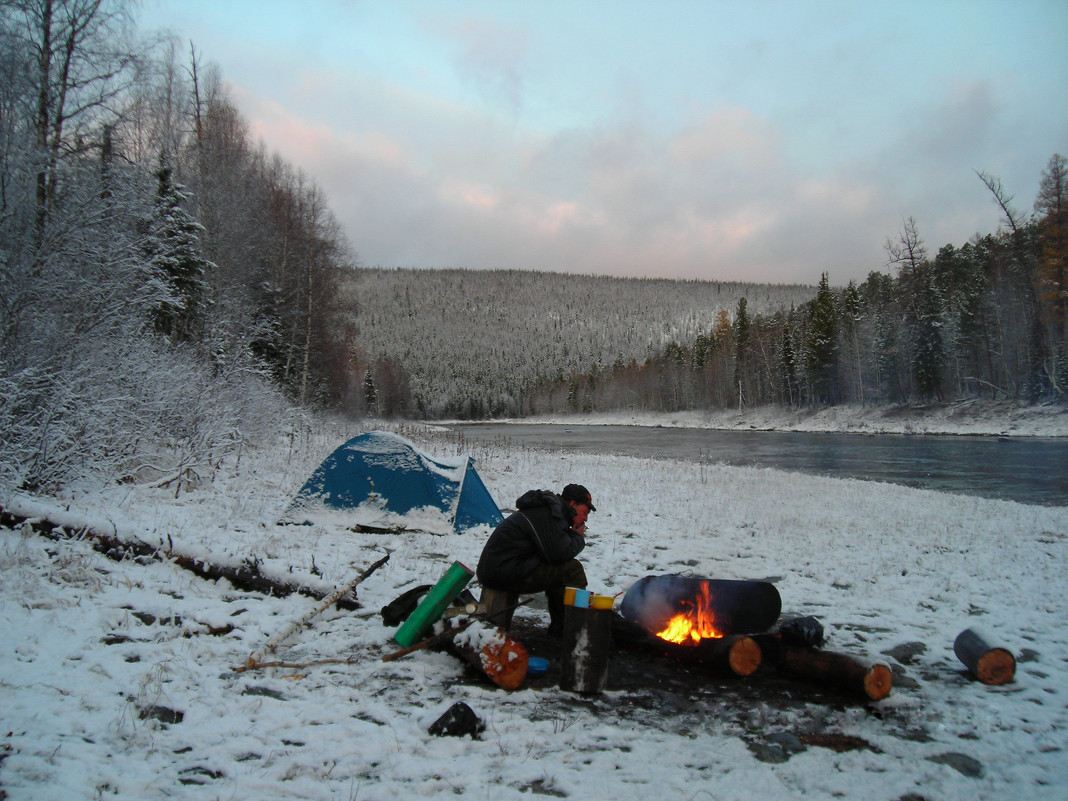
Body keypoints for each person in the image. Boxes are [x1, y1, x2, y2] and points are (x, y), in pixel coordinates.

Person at [476, 483, 596, 637]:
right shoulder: (550, 514)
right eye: (584, 512)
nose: (585, 519)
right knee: (573, 569)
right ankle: (574, 629)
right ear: (572, 504)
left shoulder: (551, 512)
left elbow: (555, 552)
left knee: (560, 571)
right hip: (502, 573)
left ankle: (562, 628)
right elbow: (559, 554)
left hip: (503, 568)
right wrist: (578, 537)